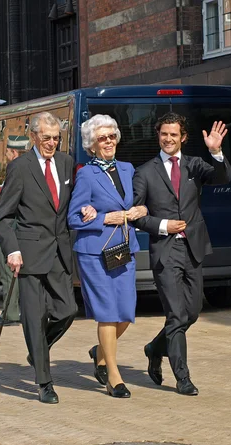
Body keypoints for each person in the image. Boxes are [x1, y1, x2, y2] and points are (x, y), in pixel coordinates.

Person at [0, 111, 94, 404]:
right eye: (46, 138)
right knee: (34, 319)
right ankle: (44, 381)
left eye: (56, 138)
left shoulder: (65, 164)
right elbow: (3, 218)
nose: (52, 143)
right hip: (28, 255)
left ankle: (38, 350)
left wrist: (87, 209)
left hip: (59, 253)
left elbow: (73, 202)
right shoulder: (21, 168)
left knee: (67, 311)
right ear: (34, 137)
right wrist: (11, 250)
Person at [133, 112, 231, 396]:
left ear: (183, 138)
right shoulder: (145, 172)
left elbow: (222, 177)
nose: (168, 139)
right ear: (158, 136)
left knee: (192, 313)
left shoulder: (194, 165)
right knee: (175, 315)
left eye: (174, 135)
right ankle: (183, 378)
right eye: (164, 134)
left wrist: (216, 151)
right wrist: (162, 225)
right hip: (165, 250)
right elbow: (136, 215)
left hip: (193, 247)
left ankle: (154, 348)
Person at [67, 114, 147, 398]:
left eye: (112, 136)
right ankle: (113, 375)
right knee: (107, 313)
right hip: (94, 253)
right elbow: (74, 217)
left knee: (125, 311)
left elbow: (138, 202)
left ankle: (99, 349)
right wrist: (103, 218)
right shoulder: (86, 174)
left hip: (123, 248)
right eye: (102, 138)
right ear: (92, 145)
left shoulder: (127, 168)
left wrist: (142, 210)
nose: (109, 141)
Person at [0, 136, 28, 327]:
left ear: (13, 152)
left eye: (7, 153)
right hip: (27, 232)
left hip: (11, 231)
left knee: (8, 273)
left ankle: (10, 313)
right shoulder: (32, 169)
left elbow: (8, 207)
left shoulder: (15, 171)